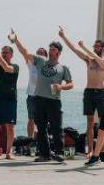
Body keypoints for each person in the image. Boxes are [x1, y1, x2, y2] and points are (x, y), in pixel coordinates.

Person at [58, 27, 104, 156]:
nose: (95, 48)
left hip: (102, 93)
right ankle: (91, 151)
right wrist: (63, 36)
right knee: (90, 122)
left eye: (97, 46)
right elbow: (74, 49)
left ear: (103, 48)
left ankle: (102, 151)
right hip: (89, 92)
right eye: (94, 46)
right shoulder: (89, 59)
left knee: (103, 123)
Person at [10, 30, 73, 162]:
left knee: (57, 128)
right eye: (50, 48)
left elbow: (71, 84)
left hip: (54, 101)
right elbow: (25, 52)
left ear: (59, 52)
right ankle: (45, 155)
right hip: (39, 99)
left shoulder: (63, 68)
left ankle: (59, 153)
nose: (51, 50)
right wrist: (16, 39)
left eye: (54, 49)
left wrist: (61, 87)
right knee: (41, 128)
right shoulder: (40, 60)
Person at [8, 30, 48, 138]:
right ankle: (30, 141)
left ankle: (41, 141)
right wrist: (16, 40)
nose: (39, 54)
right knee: (31, 119)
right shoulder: (31, 64)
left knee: (42, 121)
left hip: (43, 97)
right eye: (38, 52)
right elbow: (23, 51)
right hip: (31, 96)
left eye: (41, 53)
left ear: (45, 56)